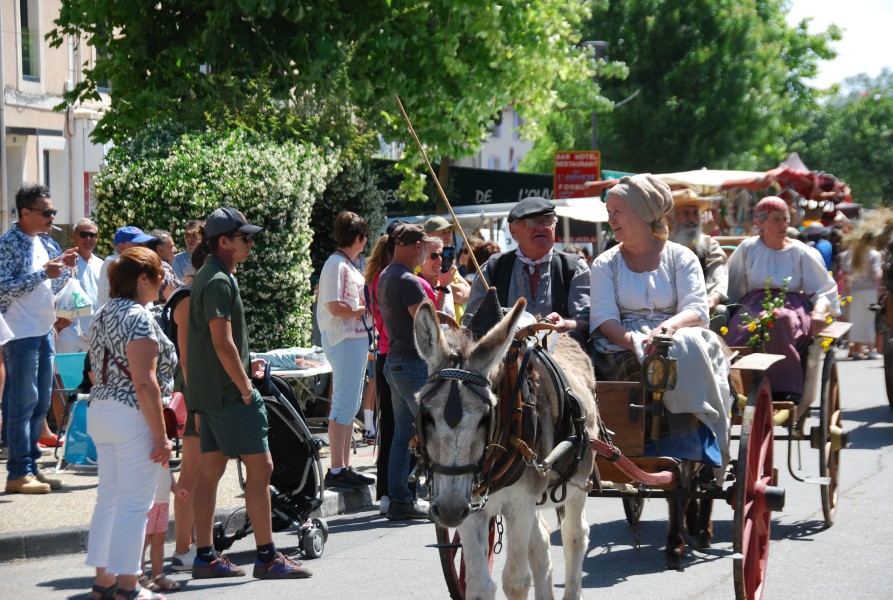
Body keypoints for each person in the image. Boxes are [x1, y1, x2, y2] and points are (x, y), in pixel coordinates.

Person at [186, 206, 311, 580]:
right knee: (262, 468)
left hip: (209, 394)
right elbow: (222, 343)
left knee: (210, 471)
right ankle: (267, 556)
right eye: (245, 237)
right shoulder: (220, 280)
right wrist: (245, 389)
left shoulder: (209, 275)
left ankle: (205, 556)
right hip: (228, 394)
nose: (251, 243)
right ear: (223, 242)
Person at [590, 174, 732, 469]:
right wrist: (633, 342)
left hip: (677, 334)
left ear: (642, 213)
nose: (611, 219)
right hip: (622, 343)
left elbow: (696, 309)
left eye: (617, 211)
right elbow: (604, 319)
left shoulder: (681, 257)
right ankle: (638, 444)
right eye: (609, 212)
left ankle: (693, 441)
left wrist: (667, 330)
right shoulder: (605, 264)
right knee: (635, 372)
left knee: (681, 353)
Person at [84, 247, 175, 600]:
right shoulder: (138, 317)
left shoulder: (103, 313)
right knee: (135, 505)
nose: (162, 281)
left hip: (101, 411)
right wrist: (161, 436)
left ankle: (103, 581)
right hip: (130, 414)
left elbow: (94, 370)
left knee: (109, 499)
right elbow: (144, 382)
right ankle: (128, 586)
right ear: (142, 279)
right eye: (158, 275)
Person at [0, 183, 79, 494]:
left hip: (43, 331)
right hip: (20, 335)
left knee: (40, 402)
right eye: (46, 212)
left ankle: (31, 467)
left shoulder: (43, 242)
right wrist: (42, 275)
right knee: (23, 403)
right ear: (26, 213)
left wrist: (64, 268)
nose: (52, 216)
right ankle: (18, 472)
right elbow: (3, 287)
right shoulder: (9, 244)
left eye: (53, 211)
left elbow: (51, 282)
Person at [725, 196, 840, 402]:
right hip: (752, 306)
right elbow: (731, 287)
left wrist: (820, 311)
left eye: (786, 219)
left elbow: (824, 288)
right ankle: (733, 386)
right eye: (776, 219)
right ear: (761, 222)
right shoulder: (748, 248)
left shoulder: (801, 251)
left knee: (778, 319)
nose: (783, 224)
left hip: (792, 307)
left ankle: (785, 388)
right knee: (736, 334)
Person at [378, 223, 438, 520]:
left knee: (402, 433)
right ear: (417, 247)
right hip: (413, 363)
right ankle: (439, 495)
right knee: (434, 429)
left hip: (395, 362)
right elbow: (426, 328)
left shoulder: (386, 275)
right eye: (424, 246)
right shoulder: (408, 281)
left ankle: (399, 498)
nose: (425, 251)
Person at [462, 196, 590, 336]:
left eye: (548, 221)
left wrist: (566, 324)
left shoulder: (574, 268)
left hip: (560, 354)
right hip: (504, 356)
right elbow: (471, 324)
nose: (542, 227)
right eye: (533, 222)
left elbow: (586, 321)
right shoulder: (493, 269)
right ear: (513, 230)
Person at [317, 211, 374, 490]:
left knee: (349, 403)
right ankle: (337, 468)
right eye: (364, 238)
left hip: (353, 339)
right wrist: (363, 310)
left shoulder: (345, 263)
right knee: (343, 403)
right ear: (358, 238)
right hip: (344, 340)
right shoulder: (337, 264)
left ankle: (344, 465)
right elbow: (334, 305)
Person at [165, 237, 211, 571]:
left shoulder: (199, 294)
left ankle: (192, 545)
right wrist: (196, 402)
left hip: (203, 391)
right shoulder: (187, 297)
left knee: (199, 473)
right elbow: (186, 358)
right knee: (192, 473)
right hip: (196, 392)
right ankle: (183, 549)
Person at [364, 233, 397, 513]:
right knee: (399, 426)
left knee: (387, 425)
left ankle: (385, 490)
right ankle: (394, 489)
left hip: (382, 350)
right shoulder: (392, 278)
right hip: (394, 351)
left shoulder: (374, 278)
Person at [667, 189, 729, 333]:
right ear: (673, 218)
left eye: (695, 213)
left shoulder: (709, 245)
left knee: (720, 311)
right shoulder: (663, 246)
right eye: (686, 213)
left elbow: (718, 274)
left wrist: (714, 298)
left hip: (702, 306)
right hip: (669, 309)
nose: (692, 218)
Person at [56, 218, 103, 353]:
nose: (88, 238)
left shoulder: (102, 264)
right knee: (66, 373)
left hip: (96, 334)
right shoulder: (64, 262)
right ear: (74, 237)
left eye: (92, 235)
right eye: (84, 234)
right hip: (70, 332)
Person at [141, 465, 189, 593]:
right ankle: (140, 577)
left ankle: (158, 576)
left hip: (163, 501)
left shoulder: (163, 448)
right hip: (146, 502)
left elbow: (167, 471)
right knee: (142, 542)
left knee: (159, 540)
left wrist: (176, 488)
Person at [839, 243, 882, 359]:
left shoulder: (850, 254)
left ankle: (857, 349)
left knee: (855, 319)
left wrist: (847, 293)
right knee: (870, 319)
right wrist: (879, 291)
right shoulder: (874, 254)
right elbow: (876, 274)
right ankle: (871, 349)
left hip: (853, 291)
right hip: (870, 290)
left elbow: (846, 275)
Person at [423, 216, 471, 321]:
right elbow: (458, 294)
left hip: (456, 328)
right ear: (429, 235)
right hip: (442, 329)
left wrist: (451, 288)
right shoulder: (422, 263)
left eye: (449, 232)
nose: (448, 236)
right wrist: (454, 289)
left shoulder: (447, 259)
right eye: (442, 232)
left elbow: (468, 293)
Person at [97, 227, 157, 309]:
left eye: (145, 244)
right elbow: (106, 302)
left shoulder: (135, 263)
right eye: (139, 244)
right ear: (122, 247)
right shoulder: (112, 262)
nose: (145, 248)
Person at [417, 236, 456, 319]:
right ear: (420, 259)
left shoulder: (446, 283)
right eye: (434, 256)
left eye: (442, 255)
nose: (440, 260)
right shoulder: (417, 286)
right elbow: (433, 322)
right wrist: (443, 287)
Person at [147, 230, 182, 305]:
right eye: (172, 247)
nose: (176, 250)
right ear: (160, 249)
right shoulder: (162, 269)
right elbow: (178, 296)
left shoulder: (146, 264)